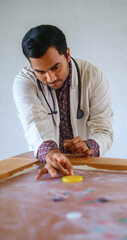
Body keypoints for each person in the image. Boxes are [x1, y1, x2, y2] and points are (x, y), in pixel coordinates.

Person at [13, 25, 113, 179]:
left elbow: (104, 131)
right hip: (46, 166)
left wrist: (89, 145)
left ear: (67, 54)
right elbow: (34, 122)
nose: (50, 78)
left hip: (87, 166)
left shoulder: (93, 76)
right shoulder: (24, 82)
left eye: (56, 67)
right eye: (40, 72)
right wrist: (51, 153)